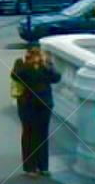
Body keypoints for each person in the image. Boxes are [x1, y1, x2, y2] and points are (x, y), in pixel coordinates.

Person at [11, 46, 61, 176]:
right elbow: (16, 76)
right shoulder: (20, 62)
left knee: (42, 134)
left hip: (44, 104)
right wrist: (28, 64)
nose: (34, 55)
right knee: (29, 133)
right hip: (27, 104)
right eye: (31, 52)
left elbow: (56, 78)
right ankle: (30, 167)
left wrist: (44, 65)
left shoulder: (47, 63)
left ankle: (43, 166)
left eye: (36, 52)